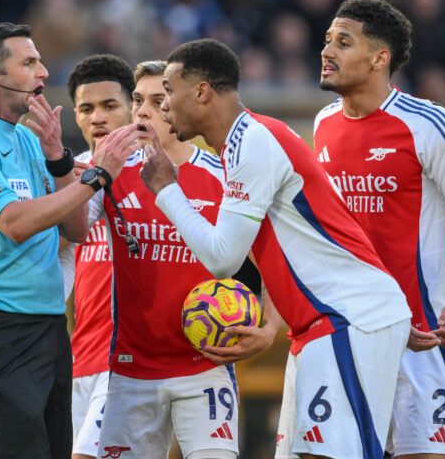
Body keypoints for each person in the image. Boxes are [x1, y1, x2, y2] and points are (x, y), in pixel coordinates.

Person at [139, 38, 412, 459]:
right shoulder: (244, 142)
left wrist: (167, 190)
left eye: (168, 93)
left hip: (348, 317)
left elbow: (222, 258)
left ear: (202, 92)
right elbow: (286, 250)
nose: (164, 108)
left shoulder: (254, 143)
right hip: (322, 325)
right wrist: (270, 323)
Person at [0, 22, 141, 459]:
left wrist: (61, 162)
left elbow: (77, 230)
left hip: (48, 325)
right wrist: (97, 176)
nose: (43, 72)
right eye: (28, 63)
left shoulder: (27, 138)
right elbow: (13, 222)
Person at [313, 0, 445, 459]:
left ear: (380, 58)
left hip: (422, 339)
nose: (326, 51)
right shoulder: (322, 125)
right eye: (327, 40)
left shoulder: (429, 123)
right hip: (349, 333)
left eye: (343, 41)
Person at [79, 58, 261, 459]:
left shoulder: (223, 176)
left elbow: (278, 258)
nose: (142, 110)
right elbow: (71, 231)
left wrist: (269, 328)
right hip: (129, 369)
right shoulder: (109, 173)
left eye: (157, 100)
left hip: (204, 364)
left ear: (178, 106)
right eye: (138, 100)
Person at [61, 54, 134, 459]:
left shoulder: (158, 175)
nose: (98, 118)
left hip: (129, 362)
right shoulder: (68, 176)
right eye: (87, 109)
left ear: (132, 108)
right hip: (80, 357)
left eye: (110, 106)